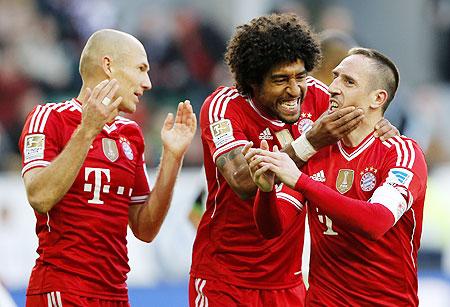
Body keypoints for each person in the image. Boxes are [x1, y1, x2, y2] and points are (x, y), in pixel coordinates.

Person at [190, 14, 397, 306]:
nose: (295, 89)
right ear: (252, 81)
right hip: (226, 280)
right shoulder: (223, 107)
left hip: (289, 282)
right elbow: (243, 183)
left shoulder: (316, 96)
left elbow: (366, 121)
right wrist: (310, 142)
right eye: (280, 80)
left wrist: (384, 129)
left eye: (300, 76)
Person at [19, 29, 197, 306]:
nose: (148, 83)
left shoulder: (130, 134)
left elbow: (145, 228)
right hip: (62, 289)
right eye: (140, 68)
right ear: (108, 65)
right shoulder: (48, 118)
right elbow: (40, 197)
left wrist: (173, 157)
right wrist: (88, 129)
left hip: (115, 293)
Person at [245, 48, 427, 306]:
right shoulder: (317, 153)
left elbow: (376, 222)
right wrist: (265, 193)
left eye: (348, 81)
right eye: (335, 77)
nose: (333, 88)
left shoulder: (402, 153)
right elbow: (272, 228)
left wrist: (300, 181)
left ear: (377, 98)